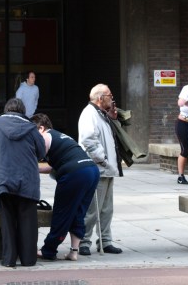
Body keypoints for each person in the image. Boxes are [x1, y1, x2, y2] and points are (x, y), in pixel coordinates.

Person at [0, 98, 45, 267]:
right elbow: (41, 152)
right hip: (28, 181)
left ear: (6, 109)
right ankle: (28, 259)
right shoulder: (32, 129)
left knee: (7, 220)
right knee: (28, 221)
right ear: (23, 111)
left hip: (3, 179)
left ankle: (9, 259)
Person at [30, 113, 99, 262]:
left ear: (41, 128)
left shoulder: (45, 136)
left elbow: (37, 154)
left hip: (74, 174)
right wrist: (37, 169)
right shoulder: (61, 137)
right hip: (91, 170)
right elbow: (57, 164)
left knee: (62, 213)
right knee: (78, 213)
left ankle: (48, 250)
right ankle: (74, 252)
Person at [77, 83, 123, 256]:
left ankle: (105, 240)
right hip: (99, 168)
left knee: (106, 209)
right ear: (100, 98)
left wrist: (112, 117)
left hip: (107, 168)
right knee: (92, 209)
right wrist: (102, 159)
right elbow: (88, 140)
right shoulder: (89, 114)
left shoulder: (101, 114)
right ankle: (84, 241)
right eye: (109, 96)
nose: (112, 99)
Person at [175, 105, 188, 184]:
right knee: (185, 150)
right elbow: (181, 116)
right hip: (183, 124)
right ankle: (180, 176)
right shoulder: (185, 95)